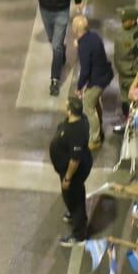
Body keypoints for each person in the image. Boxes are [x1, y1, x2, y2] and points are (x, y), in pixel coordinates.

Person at [20, 0, 85, 96]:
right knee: (53, 40)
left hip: (62, 11)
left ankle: (54, 81)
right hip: (45, 10)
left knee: (55, 45)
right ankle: (61, 52)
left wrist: (78, 1)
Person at [50, 95, 94, 246]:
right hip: (70, 167)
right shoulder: (82, 119)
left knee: (74, 198)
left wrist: (68, 178)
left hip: (73, 172)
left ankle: (79, 234)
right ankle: (75, 216)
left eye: (66, 105)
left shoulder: (75, 132)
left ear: (69, 111)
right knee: (72, 196)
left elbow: (74, 160)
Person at [72, 14, 113, 150]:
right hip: (105, 73)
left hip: (97, 79)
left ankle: (95, 139)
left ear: (75, 29)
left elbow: (85, 70)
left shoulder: (84, 46)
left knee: (88, 106)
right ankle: (98, 125)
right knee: (94, 102)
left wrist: (79, 87)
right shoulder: (93, 36)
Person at [113, 7, 138, 130]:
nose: (122, 22)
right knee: (125, 102)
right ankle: (128, 124)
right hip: (123, 75)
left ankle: (136, 128)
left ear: (133, 21)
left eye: (125, 20)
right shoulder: (122, 30)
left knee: (133, 103)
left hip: (132, 77)